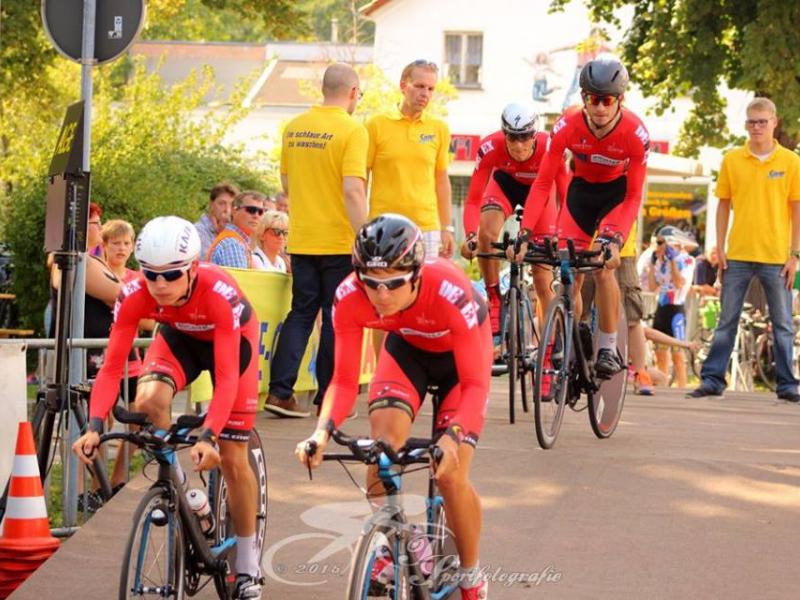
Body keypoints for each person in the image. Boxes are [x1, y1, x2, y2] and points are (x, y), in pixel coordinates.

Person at [295, 214, 491, 600]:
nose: (382, 295)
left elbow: (475, 384)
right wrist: (321, 431)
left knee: (451, 475)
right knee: (380, 451)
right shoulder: (348, 295)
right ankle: (400, 537)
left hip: (461, 365)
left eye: (395, 283)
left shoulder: (449, 289)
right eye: (372, 282)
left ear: (416, 274)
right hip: (408, 351)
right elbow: (344, 381)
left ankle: (471, 575)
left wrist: (452, 436)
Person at [72, 216, 264, 598]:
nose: (160, 284)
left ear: (192, 268)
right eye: (151, 274)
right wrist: (93, 425)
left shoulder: (219, 291)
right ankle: (178, 489)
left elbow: (227, 378)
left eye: (172, 274)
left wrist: (209, 434)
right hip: (180, 338)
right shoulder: (133, 293)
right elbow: (111, 367)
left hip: (232, 343)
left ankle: (247, 564)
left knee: (231, 456)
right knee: (147, 401)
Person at [516, 55, 650, 379]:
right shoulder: (567, 125)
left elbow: (634, 196)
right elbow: (544, 182)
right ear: (584, 98)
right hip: (581, 195)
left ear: (620, 100)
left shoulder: (636, 133)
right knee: (568, 271)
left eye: (607, 100)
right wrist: (524, 233)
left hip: (617, 198)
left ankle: (607, 347)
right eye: (593, 99)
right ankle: (570, 339)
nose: (600, 107)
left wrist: (616, 239)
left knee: (603, 267)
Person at [267, 63, 368, 418]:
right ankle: (329, 397)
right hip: (338, 240)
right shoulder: (353, 130)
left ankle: (280, 392)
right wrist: (366, 237)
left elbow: (286, 184)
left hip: (302, 238)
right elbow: (353, 190)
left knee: (301, 312)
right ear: (353, 92)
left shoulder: (294, 128)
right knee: (334, 316)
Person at [688, 97, 800, 402]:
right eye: (751, 122)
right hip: (737, 253)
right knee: (727, 320)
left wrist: (795, 255)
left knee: (782, 324)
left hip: (776, 257)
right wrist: (720, 246)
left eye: (762, 121)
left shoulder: (791, 161)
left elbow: (797, 209)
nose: (756, 127)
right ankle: (712, 379)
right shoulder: (733, 159)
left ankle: (787, 385)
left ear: (774, 122)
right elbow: (723, 205)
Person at [460, 103, 567, 347]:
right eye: (512, 137)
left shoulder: (551, 147)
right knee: (486, 234)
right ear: (504, 134)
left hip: (541, 191)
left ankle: (550, 349)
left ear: (534, 134)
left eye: (525, 137)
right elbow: (474, 199)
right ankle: (494, 298)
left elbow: (565, 196)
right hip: (505, 184)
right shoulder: (490, 147)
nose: (519, 145)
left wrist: (559, 234)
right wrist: (470, 236)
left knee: (542, 278)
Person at [366, 59, 454, 260]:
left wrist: (446, 227)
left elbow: (442, 180)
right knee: (385, 279)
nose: (425, 94)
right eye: (420, 86)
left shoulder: (439, 129)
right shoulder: (376, 125)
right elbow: (362, 178)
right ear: (403, 86)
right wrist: (362, 224)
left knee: (425, 280)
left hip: (427, 227)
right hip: (383, 225)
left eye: (430, 89)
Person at [101, 219, 155, 490]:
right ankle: (97, 486)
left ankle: (118, 478)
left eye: (126, 243)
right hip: (103, 357)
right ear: (105, 246)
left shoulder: (137, 278)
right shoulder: (99, 273)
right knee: (102, 421)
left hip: (132, 361)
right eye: (115, 243)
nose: (121, 248)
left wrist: (124, 307)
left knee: (138, 420)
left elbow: (148, 321)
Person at [646, 225, 696, 388]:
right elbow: (652, 287)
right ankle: (663, 386)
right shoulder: (661, 261)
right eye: (657, 243)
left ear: (671, 243)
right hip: (662, 309)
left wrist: (673, 261)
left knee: (678, 355)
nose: (657, 246)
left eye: (660, 243)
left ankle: (682, 388)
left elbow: (680, 283)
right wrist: (652, 265)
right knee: (660, 355)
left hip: (676, 311)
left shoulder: (687, 259)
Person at [208, 191, 267, 268]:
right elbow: (238, 277)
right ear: (234, 211)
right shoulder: (232, 245)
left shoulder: (238, 242)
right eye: (251, 210)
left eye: (260, 212)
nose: (256, 216)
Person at [195, 182, 239, 259]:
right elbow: (208, 262)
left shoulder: (233, 231)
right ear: (211, 205)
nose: (227, 210)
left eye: (232, 205)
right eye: (222, 204)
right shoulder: (198, 232)